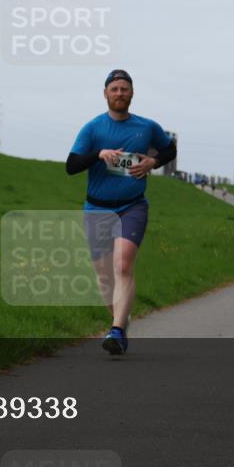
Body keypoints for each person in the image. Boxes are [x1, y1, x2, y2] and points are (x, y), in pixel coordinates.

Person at [66, 69, 176, 355]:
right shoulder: (93, 128)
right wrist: (98, 155)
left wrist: (152, 162)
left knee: (123, 265)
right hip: (97, 209)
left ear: (132, 93)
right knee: (104, 277)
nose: (119, 93)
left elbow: (170, 149)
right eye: (114, 89)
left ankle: (116, 331)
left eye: (124, 89)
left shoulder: (147, 127)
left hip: (132, 206)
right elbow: (71, 166)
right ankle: (120, 318)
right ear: (105, 93)